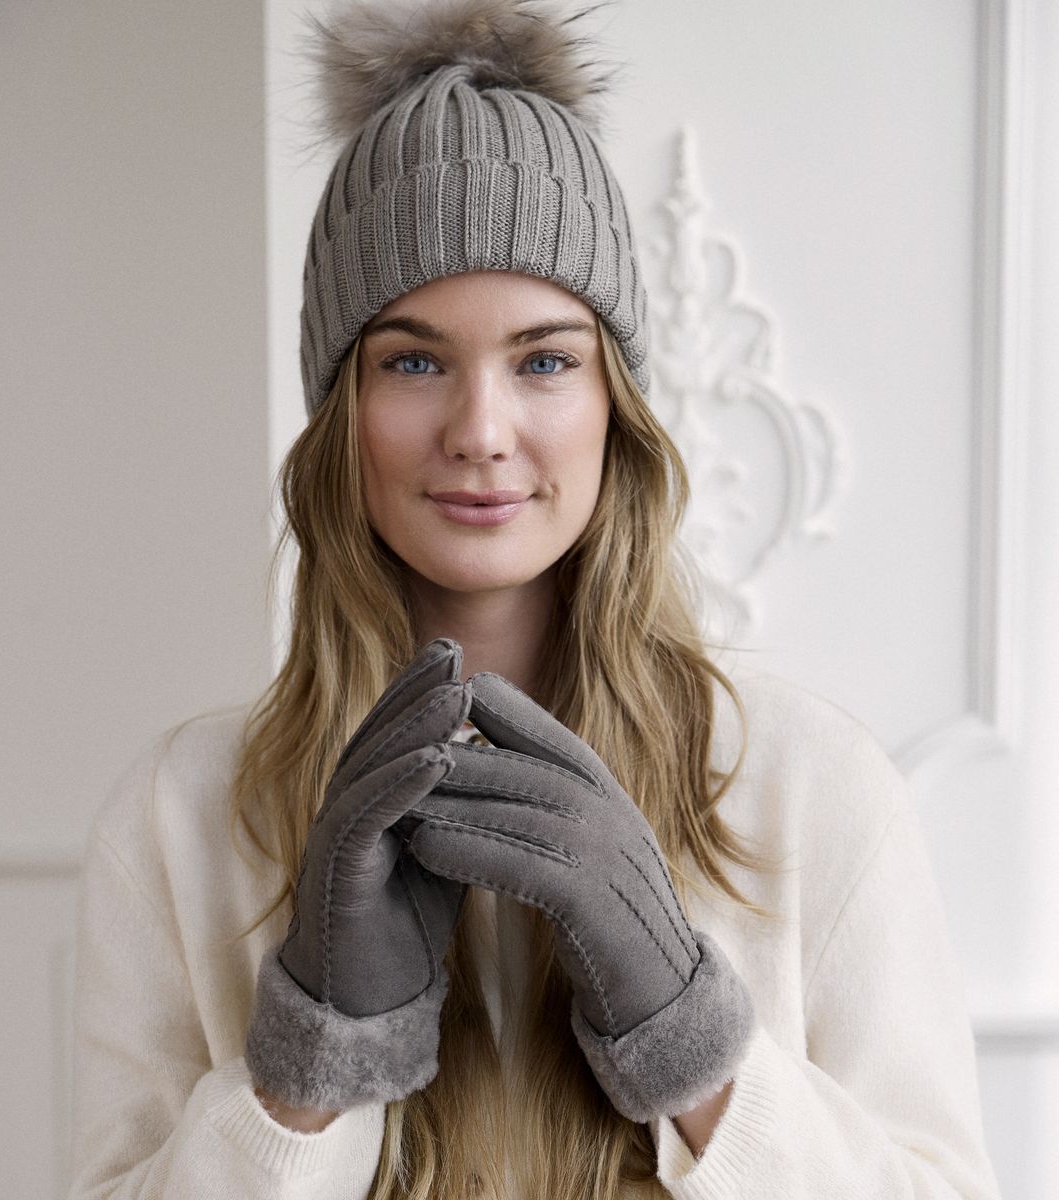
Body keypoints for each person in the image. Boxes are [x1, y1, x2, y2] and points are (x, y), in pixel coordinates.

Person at [67, 2, 1003, 1197]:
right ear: (339, 411)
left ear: (617, 407)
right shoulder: (179, 819)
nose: (481, 430)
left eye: (546, 359)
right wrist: (309, 1069)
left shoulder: (812, 788)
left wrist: (695, 1048)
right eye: (413, 360)